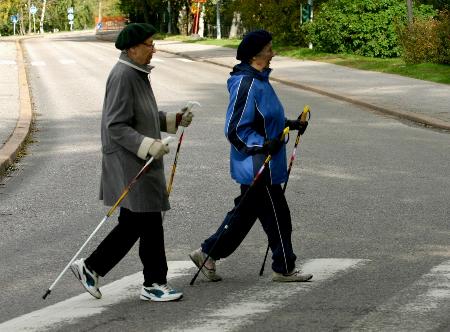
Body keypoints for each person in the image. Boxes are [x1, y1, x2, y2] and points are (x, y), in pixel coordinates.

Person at [70, 23, 193, 302]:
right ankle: (149, 281)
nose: (154, 49)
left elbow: (144, 114)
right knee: (144, 220)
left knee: (141, 221)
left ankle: (96, 269)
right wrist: (148, 145)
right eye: (149, 44)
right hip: (130, 163)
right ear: (133, 48)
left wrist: (174, 119)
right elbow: (115, 125)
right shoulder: (124, 75)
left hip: (140, 162)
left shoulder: (137, 73)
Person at [189, 30, 312, 283]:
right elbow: (234, 129)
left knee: (242, 217)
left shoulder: (260, 81)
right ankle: (284, 267)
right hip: (257, 165)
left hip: (265, 163)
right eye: (269, 49)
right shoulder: (247, 84)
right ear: (256, 56)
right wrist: (263, 144)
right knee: (279, 217)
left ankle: (207, 253)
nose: (273, 53)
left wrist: (291, 124)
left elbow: (265, 119)